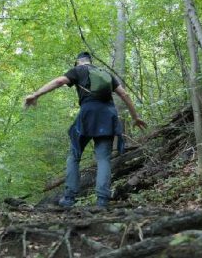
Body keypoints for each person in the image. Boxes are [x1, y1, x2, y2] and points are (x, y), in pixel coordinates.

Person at [24, 52, 146, 208]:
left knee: (74, 155)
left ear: (78, 62)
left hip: (88, 114)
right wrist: (136, 117)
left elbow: (60, 81)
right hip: (108, 116)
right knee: (103, 158)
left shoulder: (78, 70)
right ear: (91, 61)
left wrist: (36, 94)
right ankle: (102, 201)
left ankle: (69, 199)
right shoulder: (105, 73)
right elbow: (124, 94)